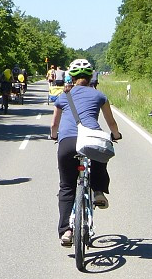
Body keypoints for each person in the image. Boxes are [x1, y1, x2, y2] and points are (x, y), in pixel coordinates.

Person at [50, 58, 122, 246]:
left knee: (67, 187)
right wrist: (116, 134)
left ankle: (66, 231)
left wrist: (53, 136)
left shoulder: (63, 97)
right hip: (90, 139)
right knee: (100, 156)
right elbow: (111, 122)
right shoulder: (99, 95)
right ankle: (98, 190)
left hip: (67, 142)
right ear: (91, 77)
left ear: (70, 78)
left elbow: (54, 124)